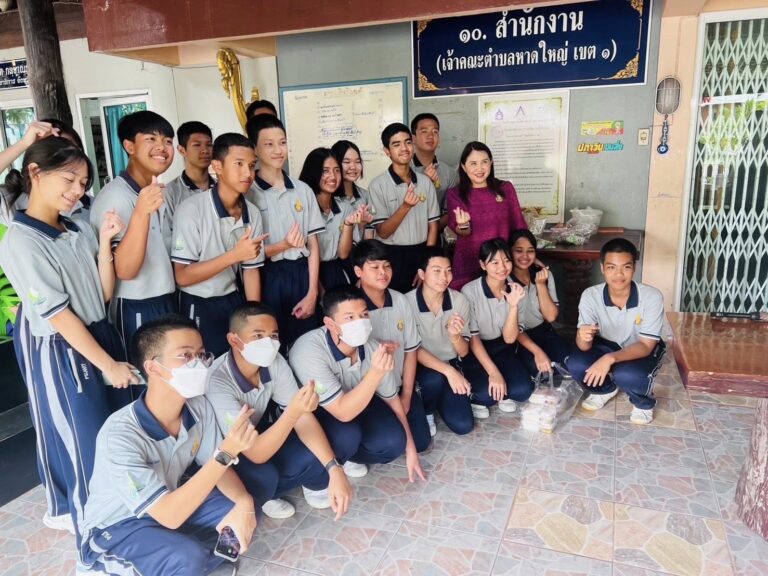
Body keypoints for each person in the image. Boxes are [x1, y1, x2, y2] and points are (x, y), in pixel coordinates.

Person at [0, 138, 137, 547]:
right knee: (84, 446)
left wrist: (105, 243)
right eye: (69, 179)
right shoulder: (21, 241)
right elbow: (59, 317)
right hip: (66, 350)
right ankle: (93, 541)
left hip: (100, 334)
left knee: (115, 434)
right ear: (35, 173)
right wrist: (107, 365)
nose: (78, 190)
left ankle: (125, 519)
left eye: (83, 182)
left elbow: (104, 293)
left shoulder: (75, 227)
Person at [80, 315, 257, 576]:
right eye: (186, 356)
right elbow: (170, 515)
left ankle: (191, 561)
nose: (199, 364)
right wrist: (227, 452)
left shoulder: (198, 407)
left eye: (201, 355)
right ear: (153, 367)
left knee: (241, 511)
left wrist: (244, 503)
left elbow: (219, 469)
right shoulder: (119, 434)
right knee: (186, 558)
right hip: (118, 527)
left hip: (166, 505)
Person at [206, 302, 355, 520]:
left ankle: (313, 482)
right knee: (265, 478)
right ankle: (265, 497)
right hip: (226, 453)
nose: (268, 343)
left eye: (273, 335)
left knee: (322, 449)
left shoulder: (272, 362)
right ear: (234, 340)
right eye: (258, 336)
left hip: (256, 431)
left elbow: (303, 417)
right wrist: (293, 412)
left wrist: (334, 469)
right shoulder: (218, 381)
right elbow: (255, 453)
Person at [289, 286, 426, 482]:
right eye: (350, 317)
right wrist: (375, 372)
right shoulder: (308, 351)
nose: (360, 322)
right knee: (347, 436)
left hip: (354, 400)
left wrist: (410, 449)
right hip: (317, 411)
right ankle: (318, 478)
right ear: (330, 324)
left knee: (395, 441)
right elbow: (342, 412)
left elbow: (392, 400)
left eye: (364, 315)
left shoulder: (372, 348)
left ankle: (348, 458)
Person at [90, 111, 177, 365]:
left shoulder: (155, 191)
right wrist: (141, 212)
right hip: (135, 305)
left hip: (164, 298)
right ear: (129, 146)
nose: (162, 147)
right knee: (144, 377)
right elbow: (125, 270)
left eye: (168, 141)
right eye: (151, 139)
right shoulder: (116, 197)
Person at [171, 133, 267, 357]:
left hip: (232, 298)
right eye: (239, 164)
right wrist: (234, 255)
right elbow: (182, 276)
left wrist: (253, 317)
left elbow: (251, 271)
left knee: (238, 359)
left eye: (251, 165)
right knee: (205, 363)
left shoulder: (252, 212)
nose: (248, 173)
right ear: (217, 166)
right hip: (198, 302)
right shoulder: (191, 209)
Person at [566, 238, 666, 425]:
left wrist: (609, 359)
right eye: (611, 267)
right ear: (602, 268)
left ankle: (643, 403)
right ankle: (605, 389)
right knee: (576, 363)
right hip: (606, 342)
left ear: (634, 268)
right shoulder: (590, 295)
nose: (618, 274)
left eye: (626, 267)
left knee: (627, 374)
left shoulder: (651, 296)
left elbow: (646, 346)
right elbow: (584, 346)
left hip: (639, 346)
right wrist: (583, 336)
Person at [245, 114, 324, 351]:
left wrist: (312, 292)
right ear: (255, 149)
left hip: (301, 273)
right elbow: (247, 254)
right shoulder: (248, 194)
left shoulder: (302, 189)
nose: (278, 150)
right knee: (271, 345)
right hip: (266, 276)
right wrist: (284, 245)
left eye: (282, 142)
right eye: (269, 144)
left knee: (306, 344)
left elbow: (313, 244)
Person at [352, 240, 432, 451]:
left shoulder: (400, 300)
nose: (383, 272)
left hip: (397, 385)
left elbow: (411, 351)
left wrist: (406, 395)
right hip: (368, 391)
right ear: (358, 271)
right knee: (390, 441)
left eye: (387, 266)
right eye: (375, 267)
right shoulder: (350, 306)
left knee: (421, 442)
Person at [460, 238, 534, 418]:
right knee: (486, 395)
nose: (502, 267)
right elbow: (473, 339)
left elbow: (509, 339)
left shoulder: (516, 289)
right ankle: (480, 397)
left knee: (523, 391)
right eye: (494, 262)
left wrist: (513, 305)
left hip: (502, 347)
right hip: (476, 349)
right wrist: (494, 373)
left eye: (506, 260)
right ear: (482, 265)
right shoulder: (469, 291)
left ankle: (500, 392)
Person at [406, 247, 474, 437]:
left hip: (450, 362)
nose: (444, 277)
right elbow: (412, 349)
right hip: (421, 367)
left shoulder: (459, 300)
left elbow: (463, 352)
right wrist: (449, 372)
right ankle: (427, 410)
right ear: (422, 274)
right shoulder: (406, 302)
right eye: (436, 271)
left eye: (448, 270)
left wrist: (455, 336)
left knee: (463, 425)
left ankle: (440, 398)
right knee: (432, 379)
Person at [368, 123, 440, 293]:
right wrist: (405, 207)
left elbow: (433, 226)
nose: (404, 148)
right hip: (392, 256)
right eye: (396, 144)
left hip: (422, 252)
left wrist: (426, 263)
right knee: (395, 301)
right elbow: (382, 232)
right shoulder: (378, 185)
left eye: (408, 142)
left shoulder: (425, 182)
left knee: (422, 301)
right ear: (387, 151)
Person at [446, 141, 527, 289]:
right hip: (469, 264)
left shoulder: (505, 189)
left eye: (484, 162)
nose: (479, 168)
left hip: (500, 265)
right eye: (473, 163)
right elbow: (463, 232)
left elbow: (519, 226)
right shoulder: (455, 194)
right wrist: (463, 224)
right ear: (463, 167)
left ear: (491, 163)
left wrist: (527, 256)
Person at [299, 147, 370, 291]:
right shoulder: (302, 207)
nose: (333, 176)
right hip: (307, 273)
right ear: (313, 172)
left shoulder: (345, 207)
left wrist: (348, 224)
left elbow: (343, 253)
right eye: (325, 171)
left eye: (337, 170)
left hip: (335, 271)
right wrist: (317, 288)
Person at [508, 229, 570, 377]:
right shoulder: (505, 280)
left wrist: (541, 285)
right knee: (540, 372)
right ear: (509, 252)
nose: (525, 256)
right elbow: (510, 329)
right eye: (518, 251)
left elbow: (551, 317)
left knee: (567, 365)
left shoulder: (544, 275)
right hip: (519, 338)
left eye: (530, 251)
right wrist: (538, 352)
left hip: (544, 331)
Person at [163, 121, 214, 232]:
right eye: (197, 145)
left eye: (209, 145)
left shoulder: (221, 187)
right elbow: (167, 237)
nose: (205, 150)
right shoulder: (169, 193)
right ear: (182, 150)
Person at [410, 113, 458, 211]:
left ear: (439, 139)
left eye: (435, 132)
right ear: (413, 139)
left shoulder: (449, 174)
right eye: (424, 131)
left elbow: (451, 211)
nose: (430, 136)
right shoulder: (403, 170)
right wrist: (424, 182)